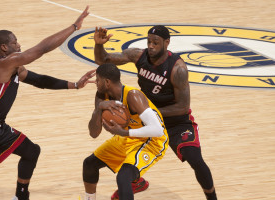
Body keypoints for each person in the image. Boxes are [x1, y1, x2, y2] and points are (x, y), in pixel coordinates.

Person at [0, 6, 94, 200]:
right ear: (4, 47)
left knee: (31, 151)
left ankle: (21, 196)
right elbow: (41, 49)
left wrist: (74, 84)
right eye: (15, 42)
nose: (19, 44)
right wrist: (74, 27)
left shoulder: (15, 69)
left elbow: (41, 81)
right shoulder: (3, 64)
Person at [93, 25, 217, 200]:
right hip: (145, 117)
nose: (151, 46)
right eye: (149, 41)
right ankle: (136, 181)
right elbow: (103, 60)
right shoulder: (138, 55)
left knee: (195, 159)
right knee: (123, 146)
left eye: (156, 43)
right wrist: (99, 45)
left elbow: (182, 107)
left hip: (175, 121)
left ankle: (212, 197)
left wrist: (151, 113)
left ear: (167, 43)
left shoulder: (177, 69)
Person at [83, 63, 168, 200]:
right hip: (128, 136)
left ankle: (134, 181)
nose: (95, 83)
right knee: (89, 164)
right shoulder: (101, 96)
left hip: (152, 140)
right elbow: (93, 133)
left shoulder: (133, 96)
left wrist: (124, 133)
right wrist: (99, 109)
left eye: (97, 80)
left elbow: (157, 130)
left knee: (123, 177)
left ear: (107, 82)